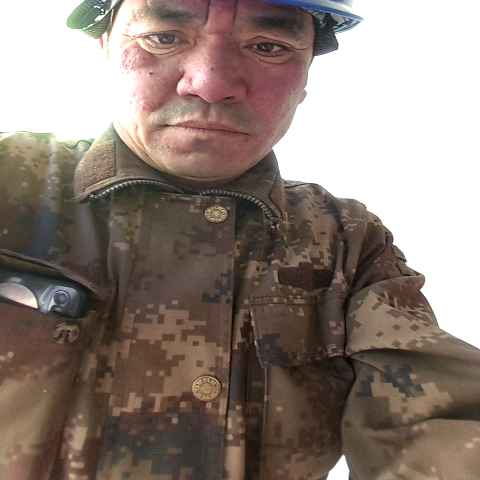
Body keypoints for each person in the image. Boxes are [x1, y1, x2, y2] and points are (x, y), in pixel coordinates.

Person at [0, 0, 479, 479]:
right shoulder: (11, 184)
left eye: (268, 46)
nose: (210, 83)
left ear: (305, 74)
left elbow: (439, 427)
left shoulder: (345, 244)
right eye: (163, 38)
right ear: (106, 47)